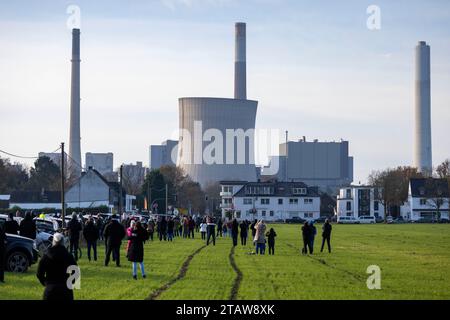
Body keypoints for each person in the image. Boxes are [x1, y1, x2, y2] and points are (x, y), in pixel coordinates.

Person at [36, 233, 77, 300]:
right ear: (63, 242)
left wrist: (46, 283)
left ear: (53, 242)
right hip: (65, 289)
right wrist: (70, 283)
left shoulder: (46, 256)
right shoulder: (69, 256)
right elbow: (75, 272)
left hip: (50, 289)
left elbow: (39, 273)